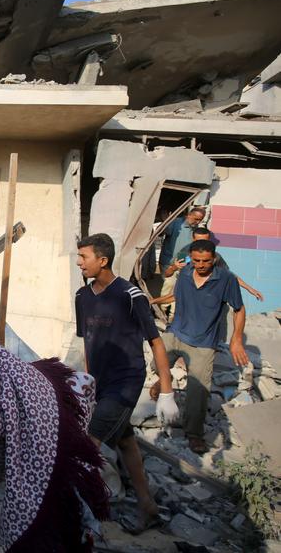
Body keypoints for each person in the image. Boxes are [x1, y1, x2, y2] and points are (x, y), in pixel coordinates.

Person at [75, 233, 178, 534]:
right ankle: (148, 507)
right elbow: (88, 342)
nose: (79, 262)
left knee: (87, 448)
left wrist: (167, 390)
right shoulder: (82, 296)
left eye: (84, 257)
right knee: (125, 441)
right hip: (100, 383)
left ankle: (77, 516)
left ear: (103, 260)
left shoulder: (130, 296)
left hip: (126, 382)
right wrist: (88, 382)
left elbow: (156, 342)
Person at [151, 239, 248, 455]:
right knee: (156, 364)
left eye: (206, 261)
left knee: (198, 391)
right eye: (196, 261)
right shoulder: (185, 273)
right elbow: (177, 295)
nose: (201, 265)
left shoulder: (226, 279)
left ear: (214, 259)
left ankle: (194, 433)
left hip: (203, 342)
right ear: (191, 259)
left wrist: (236, 339)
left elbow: (239, 309)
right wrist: (155, 300)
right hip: (176, 332)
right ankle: (164, 380)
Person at [163, 227, 264, 302]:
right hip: (183, 289)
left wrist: (249, 288)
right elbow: (167, 274)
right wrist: (174, 267)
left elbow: (229, 275)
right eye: (199, 241)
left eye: (205, 241)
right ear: (193, 239)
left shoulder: (215, 257)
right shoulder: (184, 253)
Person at [157, 207, 205, 319]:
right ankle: (162, 311)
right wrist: (165, 220)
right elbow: (160, 233)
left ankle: (172, 315)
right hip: (168, 261)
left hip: (184, 263)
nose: (197, 222)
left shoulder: (197, 230)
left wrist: (187, 261)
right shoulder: (176, 223)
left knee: (178, 290)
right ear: (189, 215)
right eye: (196, 219)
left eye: (200, 220)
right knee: (168, 287)